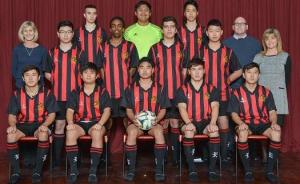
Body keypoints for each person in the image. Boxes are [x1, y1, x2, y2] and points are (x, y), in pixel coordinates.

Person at [228, 63, 281, 183]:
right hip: (245, 123)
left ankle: (269, 171)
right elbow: (233, 114)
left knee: (276, 133)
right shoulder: (236, 92)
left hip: (263, 124)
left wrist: (274, 123)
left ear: (259, 75)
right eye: (249, 72)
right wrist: (240, 123)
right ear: (244, 75)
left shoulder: (266, 91)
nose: (252, 75)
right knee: (242, 133)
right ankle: (247, 170)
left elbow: (272, 111)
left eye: (255, 72)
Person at [198, 19, 242, 162]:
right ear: (207, 33)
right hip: (204, 96)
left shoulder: (228, 51)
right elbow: (193, 71)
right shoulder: (201, 51)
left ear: (222, 32)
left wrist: (228, 80)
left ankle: (222, 156)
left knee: (223, 124)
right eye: (211, 31)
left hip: (223, 94)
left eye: (217, 31)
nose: (214, 34)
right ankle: (206, 156)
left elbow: (240, 70)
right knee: (206, 124)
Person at [121, 57, 170, 182]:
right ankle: (131, 170)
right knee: (131, 132)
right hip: (136, 123)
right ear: (137, 70)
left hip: (154, 123)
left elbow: (164, 109)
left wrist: (156, 120)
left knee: (159, 132)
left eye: (148, 67)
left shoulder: (160, 88)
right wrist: (134, 119)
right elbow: (128, 110)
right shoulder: (130, 88)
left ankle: (159, 170)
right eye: (142, 67)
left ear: (153, 70)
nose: (145, 70)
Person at [7, 65, 58, 184]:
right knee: (10, 136)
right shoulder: (16, 94)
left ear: (39, 77)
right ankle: (16, 172)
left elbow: (52, 115)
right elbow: (12, 116)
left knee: (43, 134)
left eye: (33, 75)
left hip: (40, 124)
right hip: (22, 126)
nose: (30, 78)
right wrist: (13, 125)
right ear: (23, 78)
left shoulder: (47, 93)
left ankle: (37, 171)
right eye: (27, 75)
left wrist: (45, 125)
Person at [148, 16, 187, 166]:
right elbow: (151, 72)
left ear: (176, 29)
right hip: (161, 94)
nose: (169, 29)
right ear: (162, 29)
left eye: (172, 26)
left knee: (176, 124)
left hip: (178, 94)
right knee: (162, 125)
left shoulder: (182, 48)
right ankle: (162, 158)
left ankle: (177, 159)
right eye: (166, 26)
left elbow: (184, 72)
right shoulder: (154, 48)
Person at [43, 20, 81, 168]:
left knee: (74, 128)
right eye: (62, 32)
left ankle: (73, 163)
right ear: (58, 34)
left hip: (76, 98)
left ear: (72, 34)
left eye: (69, 32)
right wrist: (57, 80)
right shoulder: (52, 52)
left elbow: (86, 73)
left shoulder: (80, 52)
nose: (66, 35)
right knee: (59, 126)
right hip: (58, 97)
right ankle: (57, 162)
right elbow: (46, 72)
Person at [65, 62, 111, 183]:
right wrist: (70, 123)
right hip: (80, 123)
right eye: (86, 73)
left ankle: (93, 171)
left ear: (97, 76)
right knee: (70, 133)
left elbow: (107, 111)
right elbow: (69, 111)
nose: (89, 75)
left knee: (97, 133)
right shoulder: (75, 92)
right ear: (81, 76)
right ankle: (74, 170)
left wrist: (100, 124)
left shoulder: (103, 92)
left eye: (92, 73)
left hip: (96, 122)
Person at [176, 58, 220, 182]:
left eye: (199, 69)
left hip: (206, 121)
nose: (197, 73)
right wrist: (188, 123)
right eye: (193, 69)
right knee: (189, 132)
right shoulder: (182, 89)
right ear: (189, 72)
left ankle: (212, 169)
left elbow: (215, 106)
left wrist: (212, 123)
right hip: (189, 121)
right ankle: (192, 169)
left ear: (204, 71)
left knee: (214, 131)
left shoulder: (212, 89)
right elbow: (182, 108)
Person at [99, 16, 139, 153]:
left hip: (124, 93)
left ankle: (128, 154)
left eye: (119, 25)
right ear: (110, 28)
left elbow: (134, 66)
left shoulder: (130, 46)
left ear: (123, 28)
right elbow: (101, 68)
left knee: (127, 123)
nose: (116, 28)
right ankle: (105, 155)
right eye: (114, 25)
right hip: (108, 93)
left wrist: (126, 78)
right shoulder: (102, 46)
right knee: (107, 124)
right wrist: (106, 84)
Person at [253, 28, 290, 127]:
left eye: (273, 38)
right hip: (261, 97)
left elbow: (287, 79)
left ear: (278, 40)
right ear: (264, 41)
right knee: (260, 131)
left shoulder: (285, 56)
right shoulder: (258, 57)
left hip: (279, 97)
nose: (270, 41)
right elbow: (252, 78)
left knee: (276, 130)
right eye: (267, 39)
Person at [224, 16, 261, 89]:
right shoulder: (225, 43)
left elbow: (260, 65)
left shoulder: (255, 43)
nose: (239, 26)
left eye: (242, 24)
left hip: (251, 85)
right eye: (237, 24)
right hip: (231, 85)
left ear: (247, 27)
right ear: (233, 27)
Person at [12, 21, 48, 89]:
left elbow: (44, 70)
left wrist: (38, 84)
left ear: (34, 32)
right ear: (22, 33)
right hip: (21, 85)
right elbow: (14, 70)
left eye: (30, 30)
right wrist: (21, 82)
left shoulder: (43, 50)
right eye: (25, 31)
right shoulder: (17, 50)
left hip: (38, 86)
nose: (28, 33)